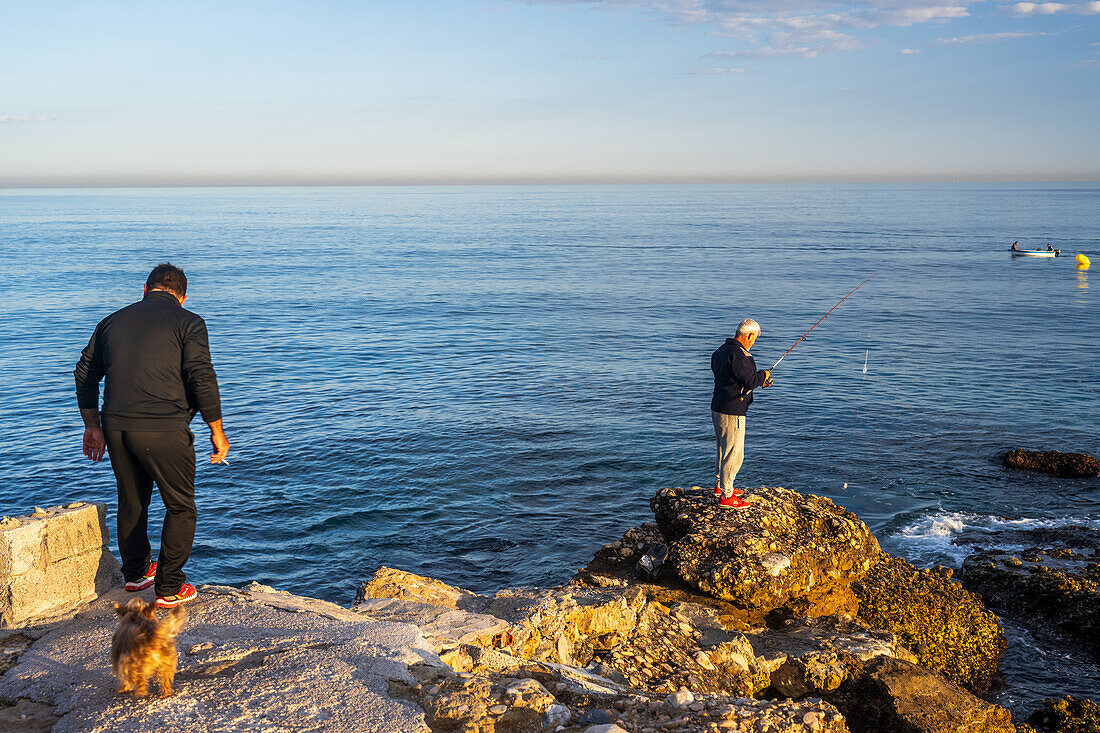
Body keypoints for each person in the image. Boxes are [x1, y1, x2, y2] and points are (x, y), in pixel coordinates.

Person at [74, 264, 229, 608]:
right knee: (181, 506)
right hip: (164, 427)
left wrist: (92, 425)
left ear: (145, 289)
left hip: (117, 426)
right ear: (182, 297)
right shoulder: (189, 321)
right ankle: (170, 588)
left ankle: (135, 576)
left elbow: (84, 373)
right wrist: (216, 430)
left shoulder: (111, 321)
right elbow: (201, 376)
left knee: (132, 500)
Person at [710, 319, 772, 509]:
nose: (753, 343)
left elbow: (732, 377)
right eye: (754, 339)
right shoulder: (741, 355)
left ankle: (720, 486)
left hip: (718, 406)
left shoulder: (720, 351)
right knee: (734, 453)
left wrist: (756, 379)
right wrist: (763, 376)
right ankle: (727, 496)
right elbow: (750, 380)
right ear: (749, 335)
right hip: (733, 411)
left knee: (722, 449)